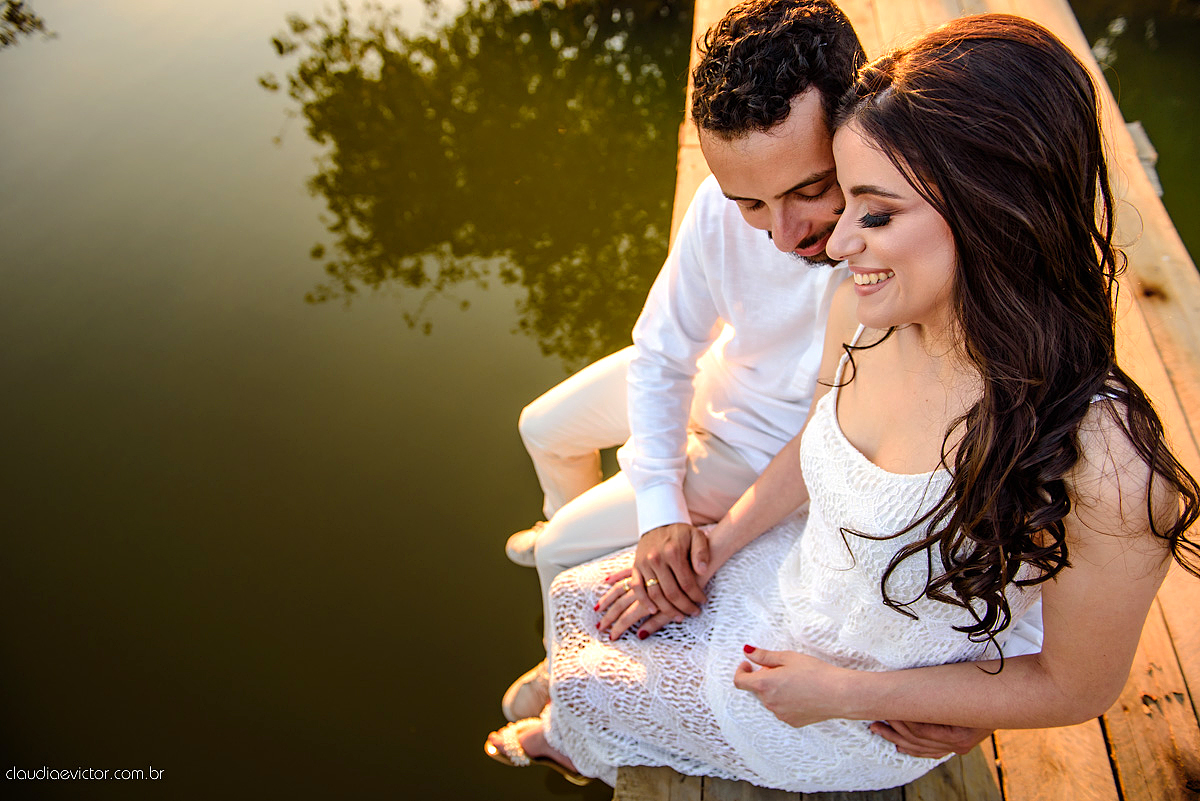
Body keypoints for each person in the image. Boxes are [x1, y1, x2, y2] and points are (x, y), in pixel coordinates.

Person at [485, 13, 1200, 792]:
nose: (833, 243)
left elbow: (1076, 671)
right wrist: (715, 543)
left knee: (593, 667)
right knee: (578, 593)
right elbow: (796, 431)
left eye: (873, 209)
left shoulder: (1106, 461)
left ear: (989, 207)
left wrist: (850, 694)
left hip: (858, 697)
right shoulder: (864, 315)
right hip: (799, 578)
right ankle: (578, 709)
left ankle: (571, 734)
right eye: (848, 203)